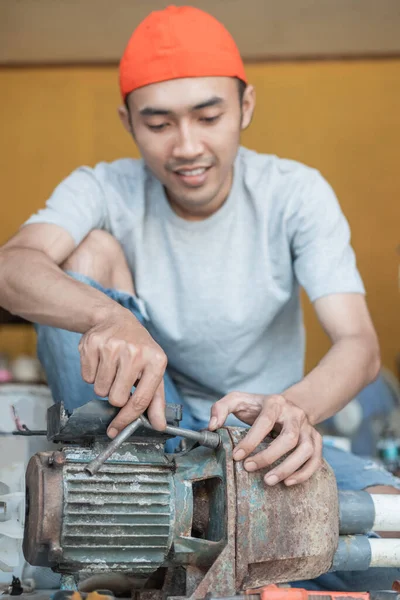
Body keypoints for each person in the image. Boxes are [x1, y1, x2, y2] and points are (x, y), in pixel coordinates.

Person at [0, 5, 399, 590]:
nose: (186, 146)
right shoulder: (104, 186)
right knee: (86, 254)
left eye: (208, 116)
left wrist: (294, 411)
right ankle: (123, 502)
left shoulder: (295, 193)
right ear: (128, 120)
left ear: (246, 107)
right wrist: (107, 314)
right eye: (159, 124)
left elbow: (359, 344)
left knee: (387, 527)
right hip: (155, 422)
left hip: (264, 432)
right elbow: (12, 267)